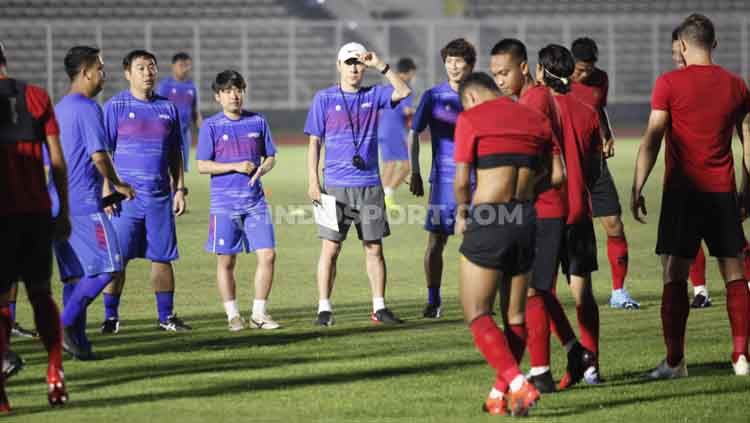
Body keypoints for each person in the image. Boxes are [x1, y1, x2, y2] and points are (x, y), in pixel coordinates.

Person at [632, 14, 750, 377]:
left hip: (682, 193)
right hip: (721, 193)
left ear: (682, 45)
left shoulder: (668, 83)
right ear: (713, 44)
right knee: (734, 272)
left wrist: (637, 185)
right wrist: (748, 191)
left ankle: (675, 362)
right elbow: (749, 144)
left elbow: (653, 138)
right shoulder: (737, 85)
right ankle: (741, 358)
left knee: (674, 273)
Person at [490, 39, 597, 392]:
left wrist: (512, 191)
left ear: (526, 68)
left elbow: (546, 161)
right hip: (551, 205)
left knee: (535, 291)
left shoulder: (534, 99)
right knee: (540, 289)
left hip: (545, 207)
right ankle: (573, 352)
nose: (500, 80)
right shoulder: (536, 98)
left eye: (504, 72)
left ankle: (541, 370)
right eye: (495, 75)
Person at [455, 72, 553, 416]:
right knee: (515, 315)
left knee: (477, 312)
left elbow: (461, 181)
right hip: (525, 218)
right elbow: (553, 174)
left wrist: (463, 213)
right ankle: (500, 393)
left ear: (469, 97)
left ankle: (518, 384)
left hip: (489, 219)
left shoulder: (470, 118)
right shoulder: (536, 119)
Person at [305, 42, 411, 326]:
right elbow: (314, 142)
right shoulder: (323, 99)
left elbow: (404, 91)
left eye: (358, 63)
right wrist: (313, 181)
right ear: (339, 66)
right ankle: (324, 309)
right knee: (330, 249)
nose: (354, 68)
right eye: (349, 62)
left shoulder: (374, 94)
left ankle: (379, 307)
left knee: (374, 247)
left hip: (369, 185)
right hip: (334, 186)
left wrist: (381, 65)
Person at [52, 46, 136, 359]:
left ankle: (80, 346)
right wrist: (119, 184)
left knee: (75, 276)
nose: (104, 74)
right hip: (84, 204)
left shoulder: (60, 108)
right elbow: (98, 155)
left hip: (58, 202)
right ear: (87, 72)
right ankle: (60, 327)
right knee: (108, 267)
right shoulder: (87, 108)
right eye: (100, 68)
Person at [101, 49, 191, 333]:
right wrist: (106, 190)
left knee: (162, 257)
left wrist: (179, 189)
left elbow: (175, 152)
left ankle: (166, 317)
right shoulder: (115, 106)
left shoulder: (168, 108)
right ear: (128, 73)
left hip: (159, 197)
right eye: (141, 68)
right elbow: (102, 153)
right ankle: (111, 318)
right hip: (124, 200)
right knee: (117, 259)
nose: (148, 72)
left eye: (152, 66)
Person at [0, 40, 69, 410]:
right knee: (41, 293)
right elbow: (57, 161)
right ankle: (55, 372)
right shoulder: (37, 96)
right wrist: (64, 212)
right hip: (36, 212)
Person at [197, 70, 279, 331]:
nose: (235, 95)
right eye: (228, 91)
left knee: (268, 255)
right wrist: (235, 166)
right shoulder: (211, 126)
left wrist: (263, 168)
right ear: (218, 96)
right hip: (224, 205)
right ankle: (232, 315)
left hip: (255, 202)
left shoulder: (257, 121)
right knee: (227, 261)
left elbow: (270, 157)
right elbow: (201, 166)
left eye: (238, 89)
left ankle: (259, 314)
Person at [570, 37, 638, 310]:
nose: (583, 75)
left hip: (595, 162)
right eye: (579, 70)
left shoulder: (600, 79)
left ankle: (619, 292)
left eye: (588, 70)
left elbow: (598, 109)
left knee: (613, 224)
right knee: (564, 228)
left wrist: (607, 134)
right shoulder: (558, 82)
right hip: (568, 164)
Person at [409, 38, 475, 318]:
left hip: (478, 181)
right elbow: (414, 133)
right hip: (442, 182)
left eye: (459, 60)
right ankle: (433, 300)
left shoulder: (481, 96)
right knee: (436, 242)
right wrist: (415, 171)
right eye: (449, 61)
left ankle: (477, 300)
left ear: (470, 65)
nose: (453, 66)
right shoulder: (433, 96)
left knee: (476, 243)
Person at [378, 57, 416, 210]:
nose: (413, 77)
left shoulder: (388, 86)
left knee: (389, 164)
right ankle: (386, 194)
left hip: (383, 129)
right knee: (406, 166)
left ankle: (382, 197)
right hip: (393, 131)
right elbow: (406, 111)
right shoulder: (402, 87)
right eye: (413, 74)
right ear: (409, 72)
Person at [156, 52, 201, 172]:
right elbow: (157, 109)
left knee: (182, 167)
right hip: (167, 132)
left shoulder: (191, 86)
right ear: (173, 66)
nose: (185, 69)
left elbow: (195, 111)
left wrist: (203, 131)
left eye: (187, 66)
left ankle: (178, 189)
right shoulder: (165, 86)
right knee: (166, 165)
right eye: (181, 65)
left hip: (185, 133)